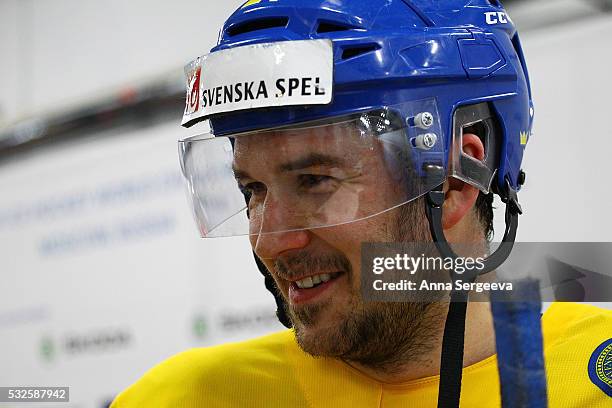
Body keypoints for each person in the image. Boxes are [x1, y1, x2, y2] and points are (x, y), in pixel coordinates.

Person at [112, 0, 612, 406]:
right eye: (252, 190)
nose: (270, 240)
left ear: (457, 179)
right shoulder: (185, 398)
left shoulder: (593, 380)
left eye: (314, 180)